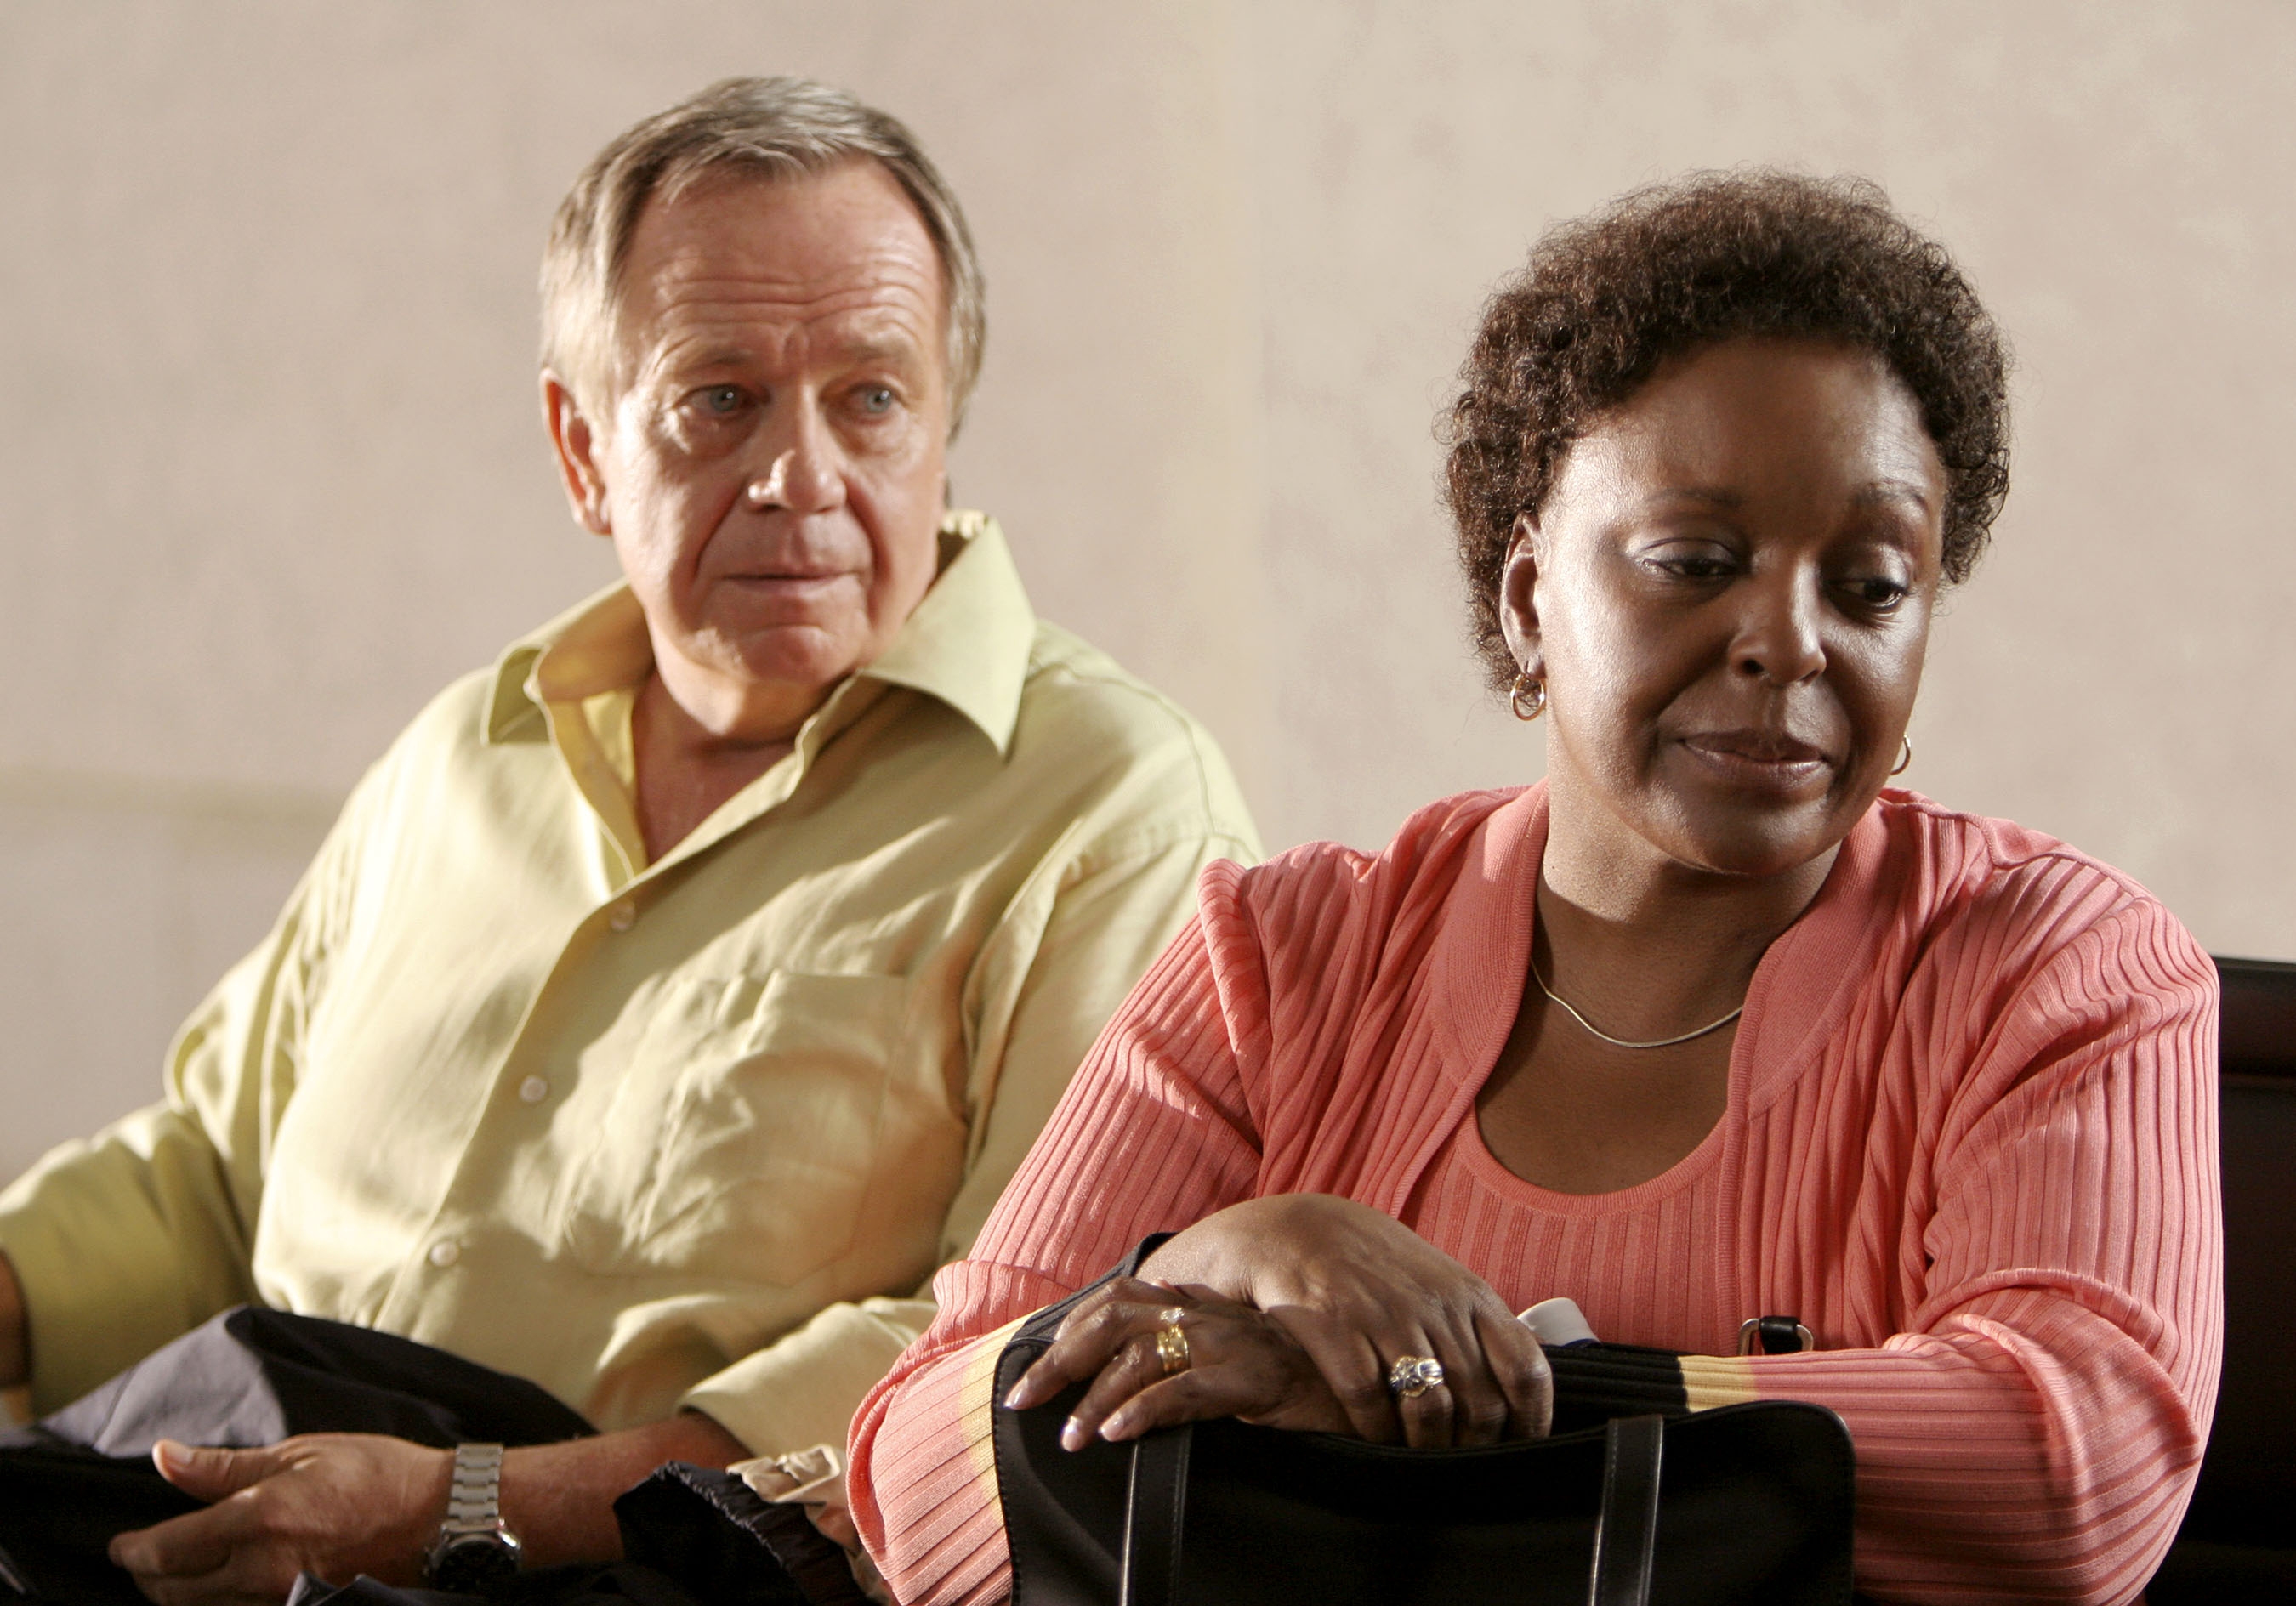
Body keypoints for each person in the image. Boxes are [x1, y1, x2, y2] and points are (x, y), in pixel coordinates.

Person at [848, 172, 2220, 1605]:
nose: (1789, 640)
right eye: (1697, 560)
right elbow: (912, 1481)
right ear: (1525, 601)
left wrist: (1474, 1392)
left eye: (1872, 586)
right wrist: (1224, 1263)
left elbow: (2080, 1464)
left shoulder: (2060, 967)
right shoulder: (1281, 959)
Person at [0, 77, 1257, 1597]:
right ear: (582, 449)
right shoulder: (472, 747)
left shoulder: (1109, 802)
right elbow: (213, 1172)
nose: (803, 473)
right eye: (720, 397)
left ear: (943, 422)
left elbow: (1017, 1346)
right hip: (221, 1496)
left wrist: (462, 1504)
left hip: (650, 1567)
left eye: (870, 397)